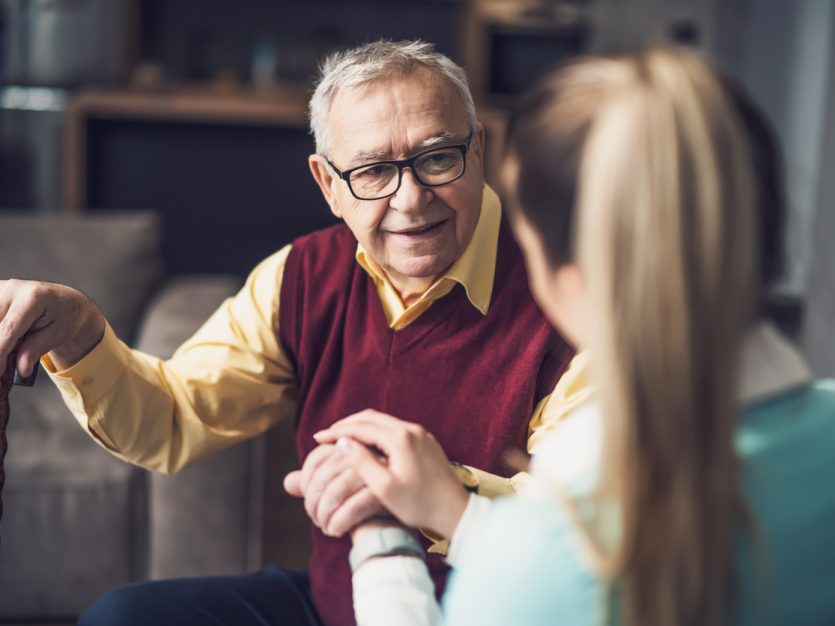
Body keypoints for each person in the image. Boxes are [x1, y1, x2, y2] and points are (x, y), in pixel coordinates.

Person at [0, 40, 576, 626]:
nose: (410, 199)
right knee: (120, 618)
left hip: (498, 613)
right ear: (328, 184)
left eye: (437, 158)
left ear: (478, 149)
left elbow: (581, 546)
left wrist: (428, 489)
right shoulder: (301, 276)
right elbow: (172, 419)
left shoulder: (571, 294)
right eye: (374, 171)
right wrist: (79, 334)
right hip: (337, 603)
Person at [313, 47, 835, 625]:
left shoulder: (553, 557)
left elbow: (546, 580)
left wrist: (382, 540)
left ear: (571, 272)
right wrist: (461, 517)